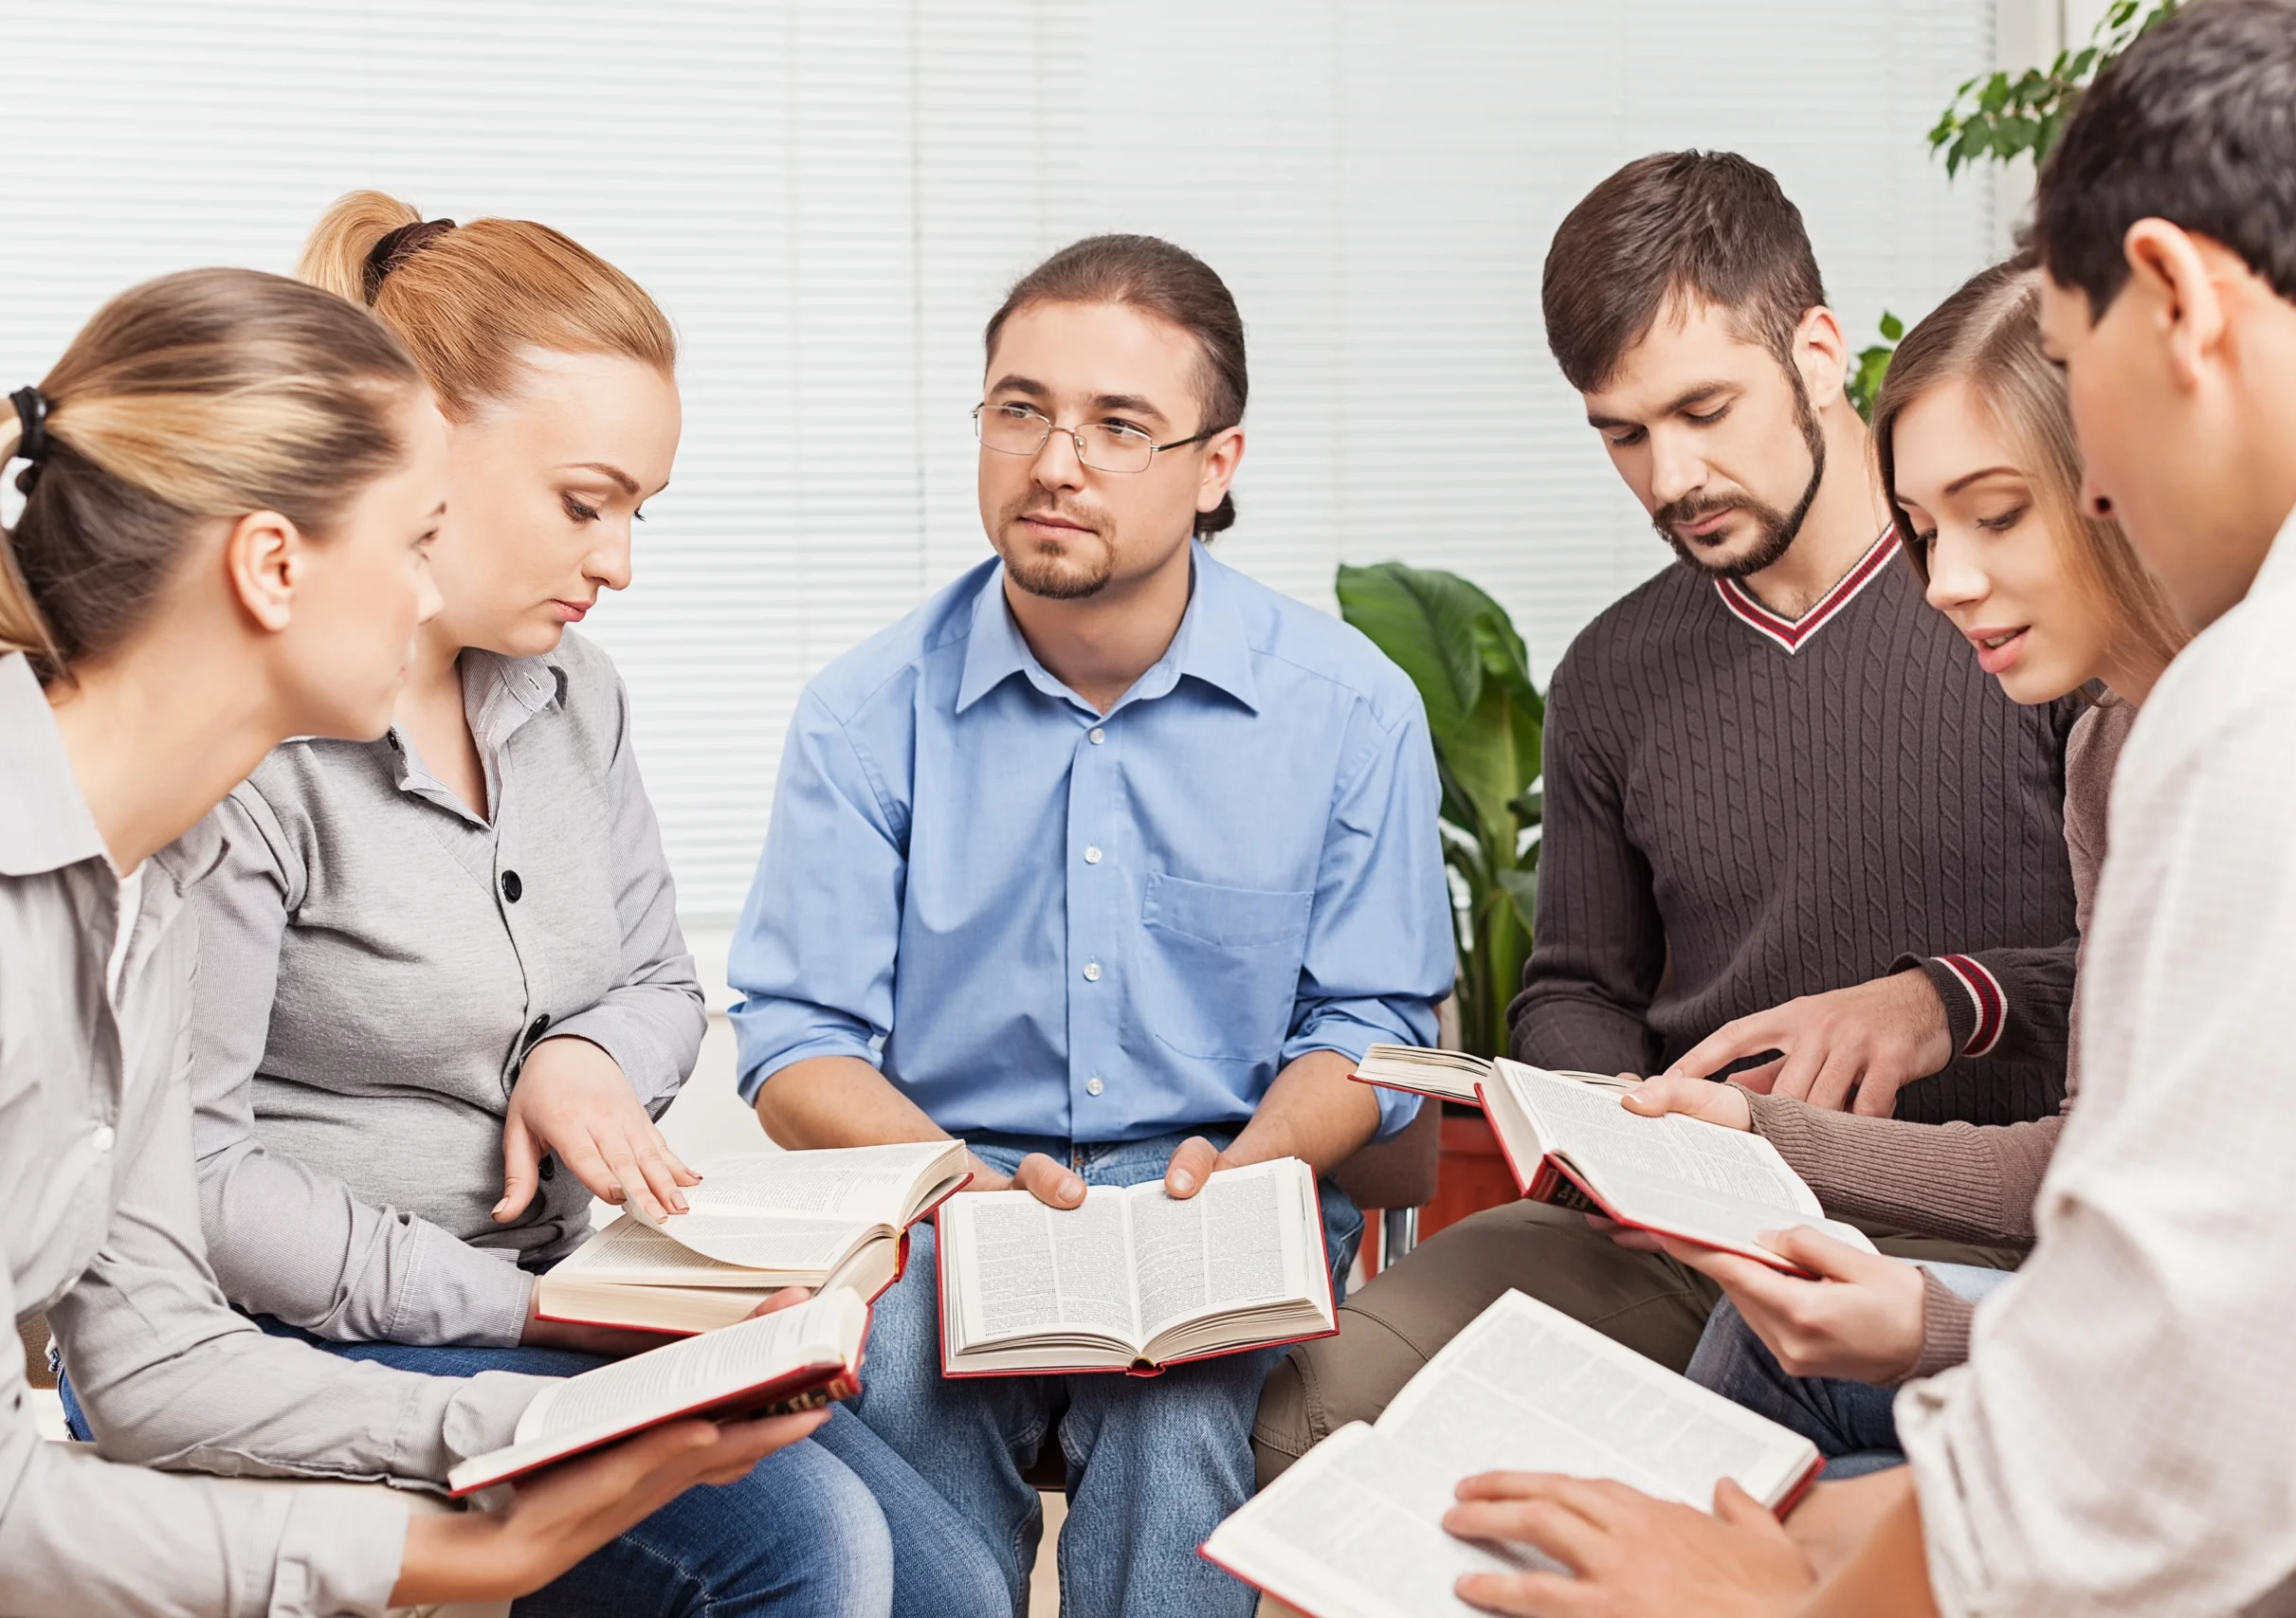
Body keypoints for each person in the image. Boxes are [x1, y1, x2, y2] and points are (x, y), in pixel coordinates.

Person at [1438, 3, 2296, 1613]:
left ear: (2170, 299)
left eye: (2073, 408)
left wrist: (1775, 1598)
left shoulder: (2290, 697)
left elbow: (2145, 1460)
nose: (2098, 485)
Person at [60, 191, 999, 1618]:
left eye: (639, 510)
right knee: (817, 1549)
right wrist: (525, 1334)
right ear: (421, 434)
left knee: (965, 1585)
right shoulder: (223, 761)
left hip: (573, 1293)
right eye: (587, 501)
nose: (618, 559)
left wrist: (588, 1056)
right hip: (348, 1318)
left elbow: (662, 983)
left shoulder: (569, 697)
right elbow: (174, 1232)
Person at [1255, 151, 2079, 1483]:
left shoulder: (2029, 607)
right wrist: (1599, 1125)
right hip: (1677, 1227)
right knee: (1326, 1391)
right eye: (1624, 432)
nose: (1671, 474)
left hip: (1958, 1217)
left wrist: (1945, 997)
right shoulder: (1612, 674)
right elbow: (1580, 979)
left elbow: (2159, 1000)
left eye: (1706, 409)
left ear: (1818, 353)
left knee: (1721, 1449)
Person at [729, 232, 1455, 1618]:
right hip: (951, 1183)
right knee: (892, 1362)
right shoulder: (862, 711)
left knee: (1185, 1409)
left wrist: (1235, 1179)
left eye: (1120, 426)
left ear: (1216, 465)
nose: (1054, 460)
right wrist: (956, 1181)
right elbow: (795, 1041)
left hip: (1224, 1177)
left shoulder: (1349, 709)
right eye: (1020, 409)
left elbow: (1370, 1030)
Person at [1619, 256, 2185, 1477]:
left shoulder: (2268, 752)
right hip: (2122, 1337)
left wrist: (1942, 1330)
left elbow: (2250, 1324)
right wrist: (1733, 1129)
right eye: (1925, 533)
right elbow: (2090, 1159)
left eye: (1997, 515)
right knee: (1761, 1360)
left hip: (2217, 1413)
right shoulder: (2113, 746)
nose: (1946, 585)